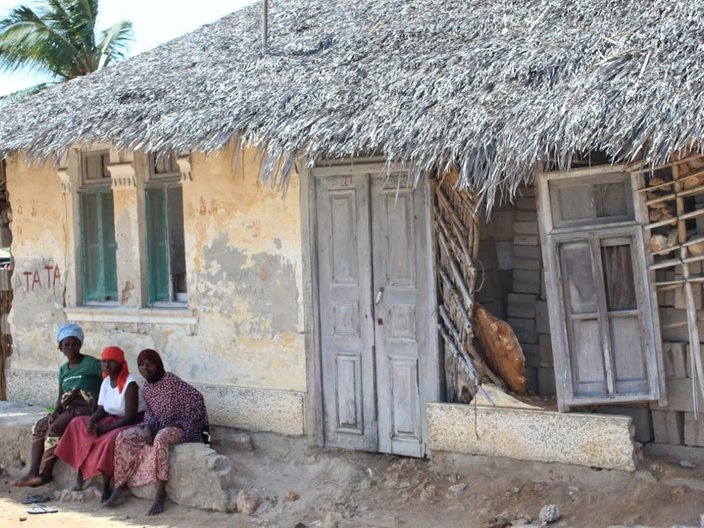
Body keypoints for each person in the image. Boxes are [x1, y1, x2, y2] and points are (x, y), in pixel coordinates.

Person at [104, 348, 209, 515]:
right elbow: (150, 413)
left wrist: (182, 423)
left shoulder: (171, 381)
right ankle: (121, 485)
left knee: (160, 438)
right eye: (141, 365)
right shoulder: (146, 387)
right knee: (124, 437)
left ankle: (160, 493)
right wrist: (146, 428)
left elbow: (197, 399)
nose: (145, 368)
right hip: (161, 426)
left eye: (149, 364)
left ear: (158, 364)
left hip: (185, 428)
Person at [12, 323, 102, 487]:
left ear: (80, 344)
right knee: (39, 427)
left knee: (54, 429)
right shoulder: (63, 370)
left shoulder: (92, 364)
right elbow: (60, 396)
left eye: (74, 344)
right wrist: (55, 411)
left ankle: (46, 474)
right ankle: (32, 472)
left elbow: (108, 379)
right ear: (60, 347)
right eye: (66, 344)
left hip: (84, 409)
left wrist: (83, 394)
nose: (71, 347)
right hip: (68, 408)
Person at [55, 346, 143, 501]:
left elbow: (130, 416)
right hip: (109, 418)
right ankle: (80, 473)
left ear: (121, 363)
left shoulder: (130, 384)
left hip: (127, 422)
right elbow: (101, 409)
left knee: (108, 440)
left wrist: (105, 428)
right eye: (104, 362)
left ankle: (106, 483)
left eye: (111, 362)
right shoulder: (106, 381)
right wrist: (93, 419)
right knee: (77, 424)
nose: (106, 365)